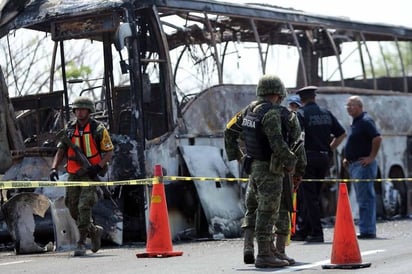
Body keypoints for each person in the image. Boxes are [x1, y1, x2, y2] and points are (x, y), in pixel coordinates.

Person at [224, 75, 304, 268]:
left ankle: (270, 250)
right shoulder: (273, 113)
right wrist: (291, 163)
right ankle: (265, 255)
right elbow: (277, 143)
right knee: (268, 211)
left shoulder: (249, 109)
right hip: (270, 168)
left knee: (258, 208)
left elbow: (229, 130)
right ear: (278, 93)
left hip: (254, 167)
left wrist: (239, 156)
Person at [49, 96, 114, 256]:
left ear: (89, 111)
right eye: (77, 109)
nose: (79, 112)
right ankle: (93, 230)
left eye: (82, 109)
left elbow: (109, 152)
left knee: (84, 207)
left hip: (89, 175)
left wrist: (97, 167)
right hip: (73, 174)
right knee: (72, 208)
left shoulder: (98, 129)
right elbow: (61, 150)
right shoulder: (69, 129)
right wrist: (53, 168)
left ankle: (81, 242)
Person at [292, 86, 346, 243]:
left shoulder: (301, 114)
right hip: (323, 159)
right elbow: (341, 134)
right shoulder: (326, 113)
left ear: (302, 100)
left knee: (308, 197)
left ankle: (316, 232)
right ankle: (304, 230)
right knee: (313, 195)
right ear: (314, 97)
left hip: (307, 158)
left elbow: (297, 137)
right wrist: (329, 148)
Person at [343, 95, 382, 239]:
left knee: (366, 198)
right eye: (347, 105)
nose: (349, 108)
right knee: (361, 198)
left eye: (352, 105)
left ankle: (367, 230)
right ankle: (366, 228)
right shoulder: (355, 122)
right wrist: (348, 158)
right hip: (354, 164)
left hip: (363, 165)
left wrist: (371, 157)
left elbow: (377, 138)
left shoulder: (365, 121)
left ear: (360, 106)